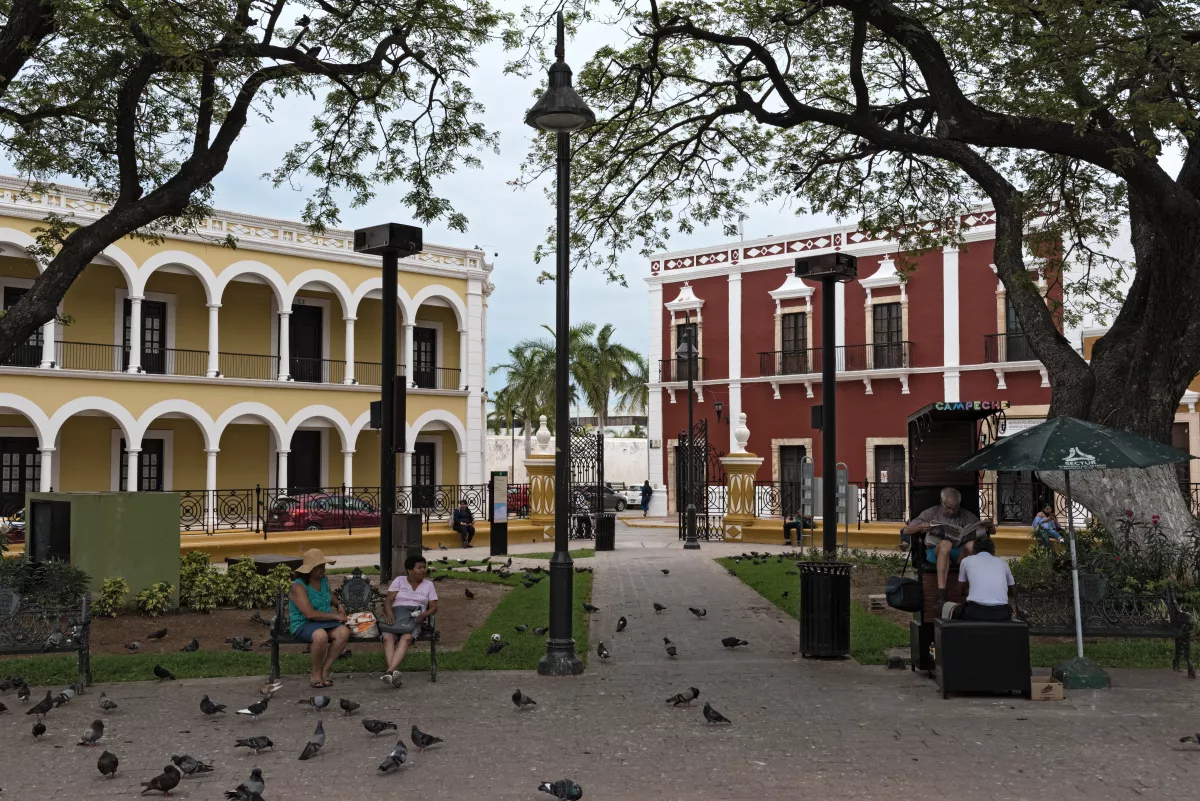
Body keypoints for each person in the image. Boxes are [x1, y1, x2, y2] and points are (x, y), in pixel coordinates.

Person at [901, 487, 989, 603]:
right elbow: (906, 530)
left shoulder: (965, 514)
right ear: (941, 503)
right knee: (945, 544)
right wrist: (920, 527)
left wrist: (989, 527)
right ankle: (941, 591)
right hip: (936, 552)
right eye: (948, 508)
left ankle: (969, 588)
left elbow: (985, 532)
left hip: (958, 553)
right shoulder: (931, 513)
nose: (952, 511)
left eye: (955, 508)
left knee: (972, 545)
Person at [287, 548, 349, 689]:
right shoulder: (298, 586)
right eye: (319, 567)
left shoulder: (323, 580)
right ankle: (315, 673)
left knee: (343, 632)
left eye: (323, 566)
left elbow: (328, 594)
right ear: (309, 569)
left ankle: (325, 670)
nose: (323, 570)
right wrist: (335, 616)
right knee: (320, 636)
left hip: (324, 621)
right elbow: (309, 614)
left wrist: (339, 604)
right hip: (304, 623)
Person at [379, 553, 439, 687]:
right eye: (419, 567)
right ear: (409, 570)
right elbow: (388, 601)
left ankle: (389, 671)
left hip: (414, 619)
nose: (423, 570)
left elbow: (434, 607)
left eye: (424, 567)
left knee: (406, 637)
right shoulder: (399, 581)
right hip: (396, 616)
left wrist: (424, 614)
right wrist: (389, 614)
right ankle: (392, 674)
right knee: (388, 637)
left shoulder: (428, 585)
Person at [956, 536, 1015, 620]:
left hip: (975, 612)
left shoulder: (966, 561)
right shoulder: (1003, 563)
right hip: (1001, 613)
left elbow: (959, 591)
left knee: (950, 608)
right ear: (993, 551)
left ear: (973, 551)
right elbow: (1012, 591)